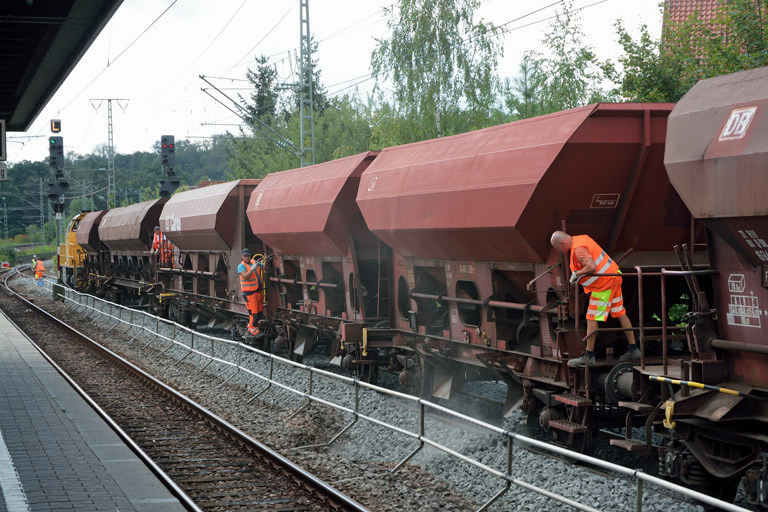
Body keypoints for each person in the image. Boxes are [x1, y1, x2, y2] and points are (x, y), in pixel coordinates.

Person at [550, 231, 639, 367]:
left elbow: (592, 266)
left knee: (591, 319)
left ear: (562, 243)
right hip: (613, 277)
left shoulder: (578, 250)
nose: (559, 251)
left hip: (603, 285)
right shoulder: (582, 238)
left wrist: (576, 274)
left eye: (558, 248)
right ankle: (634, 349)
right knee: (620, 313)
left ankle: (588, 356)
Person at [238, 248, 264, 338]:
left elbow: (262, 267)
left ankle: (252, 326)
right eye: (245, 256)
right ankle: (253, 328)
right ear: (242, 257)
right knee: (254, 312)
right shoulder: (241, 266)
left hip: (257, 291)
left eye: (248, 255)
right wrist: (252, 269)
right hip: (249, 293)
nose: (247, 257)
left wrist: (263, 263)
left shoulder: (253, 261)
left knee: (260, 310)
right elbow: (245, 276)